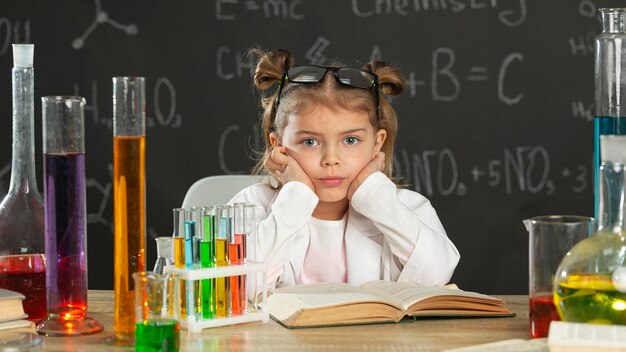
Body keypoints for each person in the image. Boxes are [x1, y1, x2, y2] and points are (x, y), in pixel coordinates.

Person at [229, 48, 459, 295]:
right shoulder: (250, 206)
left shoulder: (407, 208)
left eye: (350, 140)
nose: (331, 159)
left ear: (377, 142)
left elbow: (436, 276)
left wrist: (374, 196)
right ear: (278, 146)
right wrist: (295, 198)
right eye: (309, 142)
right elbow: (239, 288)